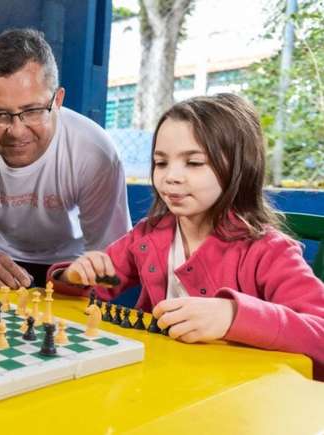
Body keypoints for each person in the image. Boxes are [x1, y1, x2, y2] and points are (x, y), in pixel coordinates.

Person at [48, 94, 324, 380]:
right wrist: (75, 276)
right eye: (161, 162)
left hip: (235, 401)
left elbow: (320, 333)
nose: (171, 177)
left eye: (193, 163)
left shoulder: (269, 251)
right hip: (160, 382)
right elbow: (96, 287)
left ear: (239, 167)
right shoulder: (147, 235)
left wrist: (232, 316)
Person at [0, 28, 131, 289]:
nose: (17, 130)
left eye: (32, 111)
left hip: (68, 267)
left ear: (57, 100)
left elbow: (111, 259)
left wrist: (72, 278)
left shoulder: (95, 151)